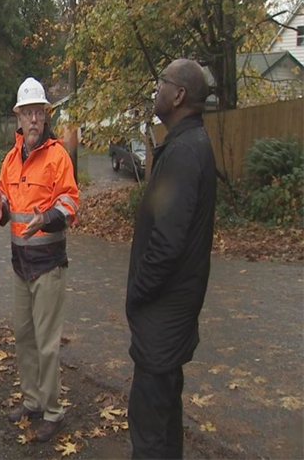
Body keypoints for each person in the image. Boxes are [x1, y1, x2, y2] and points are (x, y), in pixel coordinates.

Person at [125, 59, 216, 459]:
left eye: (162, 82)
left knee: (148, 431)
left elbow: (168, 242)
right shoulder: (188, 142)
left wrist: (138, 291)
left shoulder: (183, 151)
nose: (156, 89)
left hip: (163, 318)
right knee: (165, 422)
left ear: (179, 95)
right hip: (171, 318)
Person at [0, 77, 79, 442]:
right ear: (19, 118)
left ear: (45, 117)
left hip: (47, 265)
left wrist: (47, 218)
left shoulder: (58, 157)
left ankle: (53, 411)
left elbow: (71, 203)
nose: (32, 119)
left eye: (38, 113)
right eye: (26, 112)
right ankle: (31, 401)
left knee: (46, 342)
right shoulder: (11, 160)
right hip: (20, 266)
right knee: (24, 337)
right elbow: (1, 199)